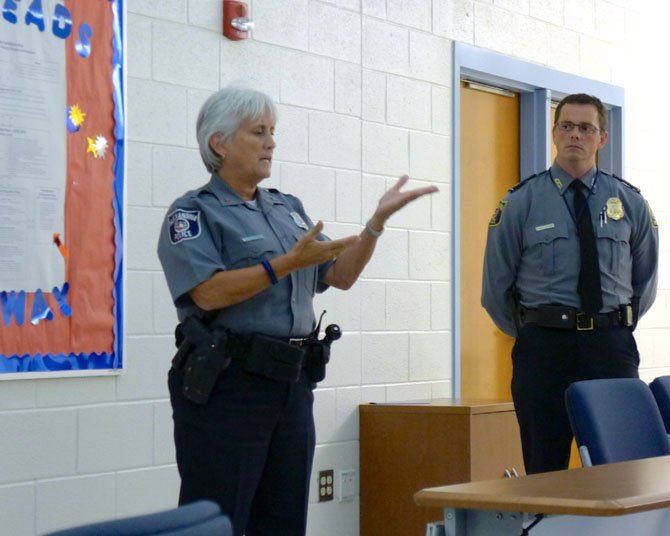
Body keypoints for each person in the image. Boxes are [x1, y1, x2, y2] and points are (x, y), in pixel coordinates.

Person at [156, 85, 438, 535]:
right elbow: (207, 293)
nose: (271, 142)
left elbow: (339, 275)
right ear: (219, 143)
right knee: (216, 522)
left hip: (291, 385)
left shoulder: (287, 210)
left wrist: (374, 225)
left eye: (273, 131)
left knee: (284, 521)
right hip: (229, 388)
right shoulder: (193, 213)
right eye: (258, 132)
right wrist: (286, 263)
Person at [481, 93, 659, 474]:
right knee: (545, 471)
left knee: (622, 468)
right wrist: (536, 329)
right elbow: (495, 290)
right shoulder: (520, 203)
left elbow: (645, 280)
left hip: (610, 346)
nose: (575, 135)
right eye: (567, 126)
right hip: (544, 349)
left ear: (602, 138)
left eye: (586, 128)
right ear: (554, 133)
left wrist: (613, 323)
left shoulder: (629, 203)